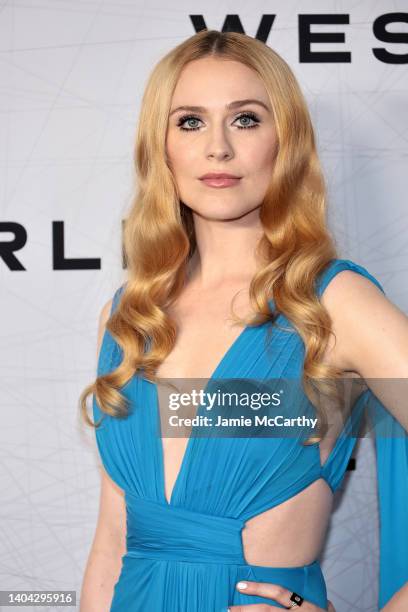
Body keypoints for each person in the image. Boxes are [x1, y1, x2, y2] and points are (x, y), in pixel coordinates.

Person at [79, 29, 408, 612]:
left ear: (288, 140)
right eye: (190, 122)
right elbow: (110, 547)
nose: (218, 149)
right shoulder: (130, 314)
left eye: (247, 119)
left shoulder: (334, 303)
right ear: (161, 146)